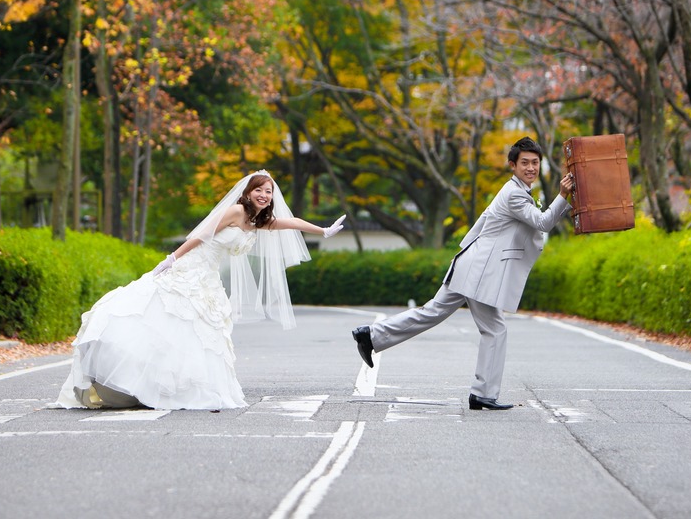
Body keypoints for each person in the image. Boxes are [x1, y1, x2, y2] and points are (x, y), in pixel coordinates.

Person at [56, 170, 345, 411]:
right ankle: (133, 376)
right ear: (247, 192)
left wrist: (323, 231)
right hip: (191, 268)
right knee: (166, 319)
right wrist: (171, 259)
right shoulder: (236, 211)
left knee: (200, 333)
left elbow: (291, 222)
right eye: (259, 190)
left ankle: (175, 386)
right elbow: (202, 234)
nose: (264, 195)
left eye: (268, 192)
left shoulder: (257, 222)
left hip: (209, 277)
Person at [351, 136, 573, 411]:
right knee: (494, 329)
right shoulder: (514, 194)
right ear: (512, 166)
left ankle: (370, 335)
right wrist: (562, 196)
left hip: (471, 266)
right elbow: (542, 222)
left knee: (431, 313)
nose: (531, 168)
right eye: (525, 163)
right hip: (480, 271)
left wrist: (565, 202)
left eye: (535, 163)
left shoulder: (517, 191)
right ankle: (483, 393)